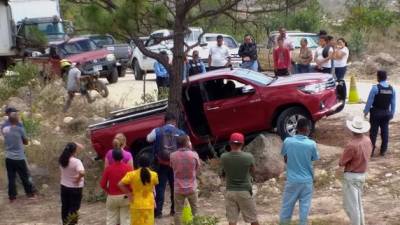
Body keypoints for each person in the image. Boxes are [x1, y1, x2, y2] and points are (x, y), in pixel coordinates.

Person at [279, 118, 320, 225]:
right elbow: (312, 159)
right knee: (304, 209)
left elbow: (285, 159)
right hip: (307, 181)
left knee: (286, 207)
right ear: (308, 129)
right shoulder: (312, 144)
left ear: (297, 128)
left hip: (292, 180)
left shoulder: (287, 141)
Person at [146, 112, 185, 218]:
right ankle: (174, 210)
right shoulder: (180, 132)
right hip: (175, 164)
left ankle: (158, 212)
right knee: (175, 187)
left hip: (161, 163)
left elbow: (148, 139)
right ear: (174, 121)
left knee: (160, 187)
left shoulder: (157, 130)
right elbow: (186, 144)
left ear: (165, 121)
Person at [220, 133, 260, 225]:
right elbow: (254, 171)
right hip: (244, 191)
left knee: (232, 221)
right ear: (242, 144)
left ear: (230, 143)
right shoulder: (248, 157)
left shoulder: (224, 157)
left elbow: (223, 173)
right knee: (253, 219)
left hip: (230, 191)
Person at [339, 116, 372, 225]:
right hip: (362, 174)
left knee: (352, 207)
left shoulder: (351, 145)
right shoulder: (367, 140)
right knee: (358, 205)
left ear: (352, 129)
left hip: (351, 176)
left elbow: (341, 162)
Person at [2, 112, 36, 203]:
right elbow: (26, 142)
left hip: (9, 157)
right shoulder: (20, 129)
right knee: (24, 176)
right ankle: (30, 194)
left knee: (11, 177)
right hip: (19, 157)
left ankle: (12, 197)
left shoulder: (5, 129)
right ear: (17, 120)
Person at [118, 155, 159, 225]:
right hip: (149, 203)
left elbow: (120, 184)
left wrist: (129, 194)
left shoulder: (131, 174)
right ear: (149, 163)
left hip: (135, 203)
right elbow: (153, 187)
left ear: (138, 163)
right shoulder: (154, 175)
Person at [364, 70, 396, 157]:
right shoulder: (392, 88)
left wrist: (366, 112)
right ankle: (383, 150)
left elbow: (369, 101)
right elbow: (393, 103)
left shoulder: (375, 88)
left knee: (373, 132)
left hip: (376, 113)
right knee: (385, 131)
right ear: (386, 77)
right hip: (386, 113)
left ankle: (371, 151)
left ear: (378, 77)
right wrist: (392, 113)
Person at [170, 135, 200, 225]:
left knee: (178, 211)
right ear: (187, 143)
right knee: (195, 210)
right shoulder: (194, 155)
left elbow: (172, 167)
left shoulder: (173, 155)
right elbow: (197, 168)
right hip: (192, 187)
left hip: (178, 188)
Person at [100, 149, 133, 225]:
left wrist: (108, 191)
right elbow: (131, 184)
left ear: (113, 157)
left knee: (111, 219)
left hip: (112, 196)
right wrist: (130, 193)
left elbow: (102, 184)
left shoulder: (108, 169)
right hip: (125, 196)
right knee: (126, 219)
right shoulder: (128, 168)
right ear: (122, 156)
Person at [59, 142, 85, 225]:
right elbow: (82, 172)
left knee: (65, 207)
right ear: (74, 151)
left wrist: (72, 144)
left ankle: (65, 223)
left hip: (64, 186)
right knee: (74, 208)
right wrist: (78, 179)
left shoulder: (62, 159)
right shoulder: (76, 162)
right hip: (75, 188)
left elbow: (80, 147)